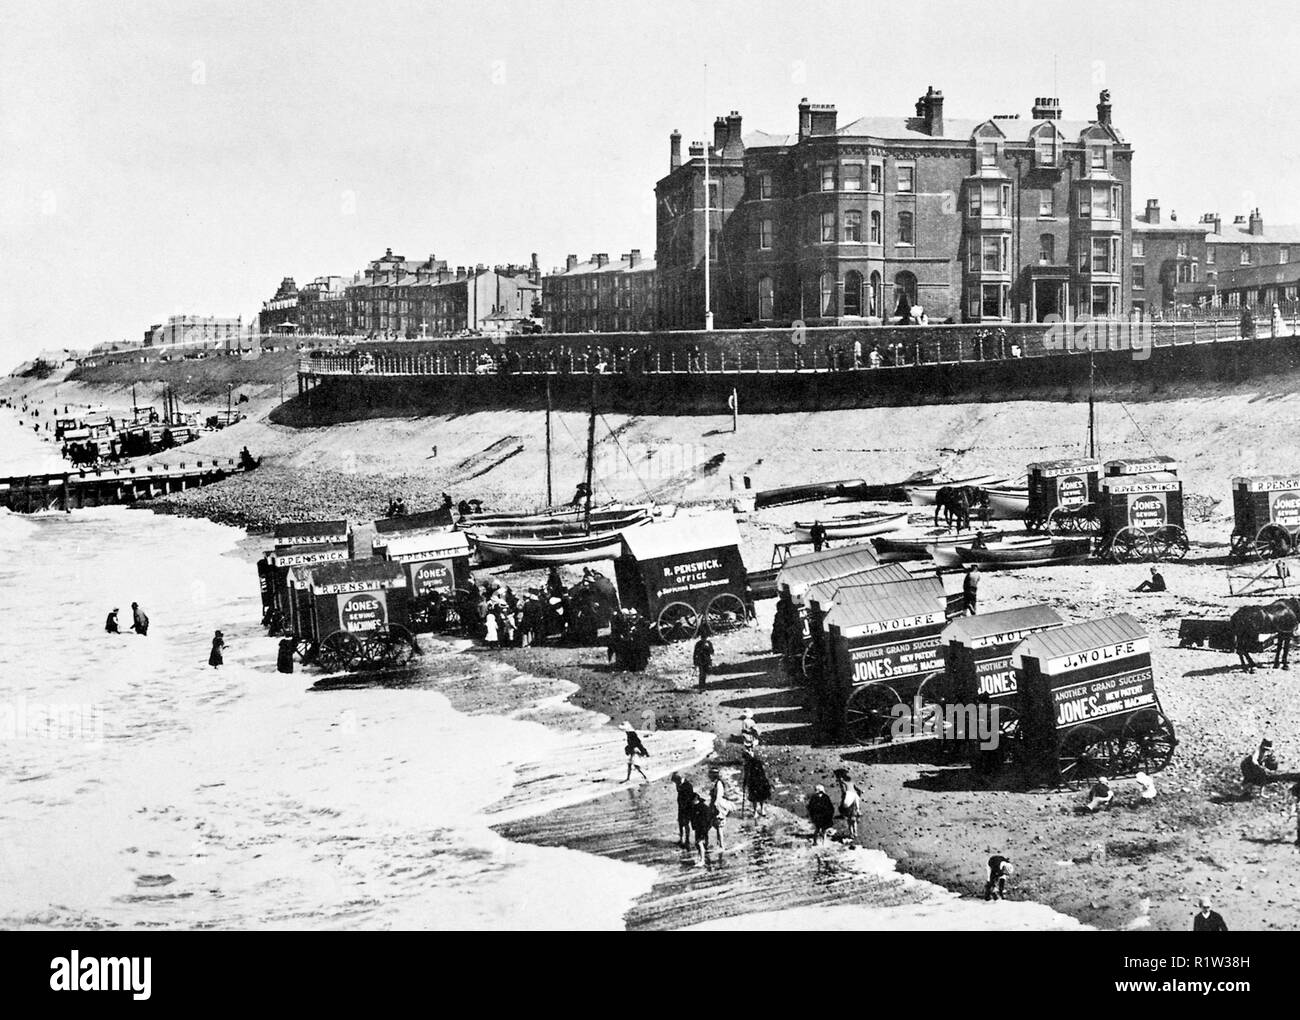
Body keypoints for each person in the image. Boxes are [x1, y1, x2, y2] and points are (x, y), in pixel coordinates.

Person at [834, 767, 862, 844]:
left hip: (848, 797)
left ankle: (851, 834)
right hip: (855, 798)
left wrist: (842, 803)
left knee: (849, 820)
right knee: (854, 820)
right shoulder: (851, 782)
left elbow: (844, 793)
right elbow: (858, 790)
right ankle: (855, 833)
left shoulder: (843, 784)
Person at [708, 767, 730, 851]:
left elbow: (718, 797)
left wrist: (715, 806)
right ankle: (719, 844)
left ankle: (721, 845)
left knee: (719, 826)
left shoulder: (718, 784)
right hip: (716, 805)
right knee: (717, 826)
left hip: (718, 806)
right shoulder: (717, 783)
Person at [671, 772, 695, 848]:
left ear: (679, 779)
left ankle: (687, 840)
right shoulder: (679, 784)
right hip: (681, 807)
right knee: (681, 823)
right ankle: (681, 839)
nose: (675, 783)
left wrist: (685, 806)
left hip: (687, 808)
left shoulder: (688, 785)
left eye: (676, 781)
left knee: (686, 823)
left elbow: (689, 797)